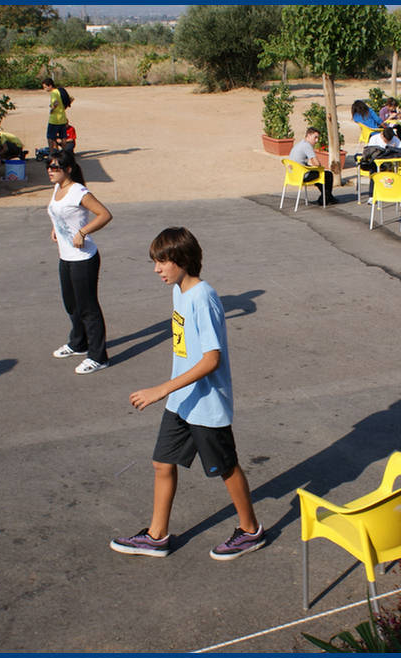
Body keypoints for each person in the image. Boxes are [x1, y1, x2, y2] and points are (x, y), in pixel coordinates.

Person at [110, 227, 264, 561]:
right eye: (155, 262)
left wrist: (161, 389)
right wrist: (171, 391)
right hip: (181, 400)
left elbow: (211, 359)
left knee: (226, 467)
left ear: (182, 259)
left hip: (206, 403)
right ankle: (156, 536)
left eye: (162, 261)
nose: (157, 269)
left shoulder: (203, 298)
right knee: (162, 463)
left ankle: (251, 530)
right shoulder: (179, 291)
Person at [46, 149, 112, 374]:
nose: (50, 171)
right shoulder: (57, 188)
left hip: (83, 259)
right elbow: (57, 212)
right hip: (65, 257)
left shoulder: (79, 192)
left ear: (68, 169)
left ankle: (98, 357)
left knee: (88, 308)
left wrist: (82, 232)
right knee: (71, 304)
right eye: (48, 167)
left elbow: (105, 214)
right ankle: (78, 343)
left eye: (55, 167)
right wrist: (55, 228)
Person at [289, 127, 338, 206]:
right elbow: (316, 163)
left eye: (317, 138)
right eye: (315, 137)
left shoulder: (299, 144)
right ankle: (325, 198)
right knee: (328, 174)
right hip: (302, 175)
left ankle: (327, 197)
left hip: (292, 175)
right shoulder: (307, 146)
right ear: (308, 135)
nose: (317, 140)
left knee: (319, 175)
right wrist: (320, 167)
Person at [42, 77, 69, 151]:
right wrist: (63, 108)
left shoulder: (53, 93)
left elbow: (56, 102)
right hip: (63, 118)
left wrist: (52, 109)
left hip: (54, 119)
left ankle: (52, 153)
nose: (45, 89)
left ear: (50, 86)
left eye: (45, 87)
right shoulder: (60, 91)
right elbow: (71, 99)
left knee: (50, 137)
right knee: (63, 137)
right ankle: (64, 153)